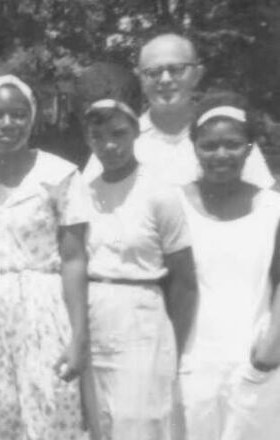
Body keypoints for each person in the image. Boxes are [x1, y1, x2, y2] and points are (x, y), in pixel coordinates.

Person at [0, 74, 90, 440]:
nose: (7, 123)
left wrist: (79, 336)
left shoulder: (60, 176)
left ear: (33, 118)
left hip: (46, 308)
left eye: (18, 114)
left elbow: (74, 259)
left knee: (52, 411)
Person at [80, 66, 198, 439]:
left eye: (118, 134)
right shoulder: (82, 192)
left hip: (143, 323)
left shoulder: (159, 192)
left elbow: (184, 281)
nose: (109, 146)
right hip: (94, 318)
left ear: (135, 131)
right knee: (100, 423)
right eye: (98, 136)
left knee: (140, 426)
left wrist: (171, 348)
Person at [175, 92, 280, 440]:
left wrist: (268, 353)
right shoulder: (173, 205)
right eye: (209, 145)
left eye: (232, 144)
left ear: (249, 147)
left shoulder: (273, 208)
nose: (221, 154)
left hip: (255, 366)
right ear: (194, 147)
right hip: (191, 365)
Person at [82, 33, 275, 188]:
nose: (165, 79)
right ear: (140, 78)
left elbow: (262, 199)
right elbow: (89, 199)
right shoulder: (120, 137)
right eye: (153, 72)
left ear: (197, 74)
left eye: (176, 69)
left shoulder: (224, 136)